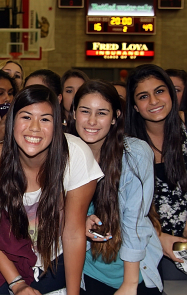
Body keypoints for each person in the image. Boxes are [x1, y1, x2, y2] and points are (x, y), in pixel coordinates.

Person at [0, 85, 103, 295]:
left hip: (56, 259)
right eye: (26, 117)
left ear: (57, 124)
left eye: (45, 119)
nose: (34, 127)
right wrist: (17, 283)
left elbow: (73, 232)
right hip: (9, 256)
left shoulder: (75, 154)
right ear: (12, 121)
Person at [67, 80, 163, 295]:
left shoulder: (135, 154)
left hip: (134, 271)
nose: (92, 121)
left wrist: (129, 285)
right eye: (85, 111)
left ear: (115, 117)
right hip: (87, 271)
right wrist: (75, 222)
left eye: (102, 113)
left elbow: (135, 220)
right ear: (73, 113)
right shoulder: (62, 153)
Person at [125, 64, 187, 280]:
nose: (153, 101)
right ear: (134, 106)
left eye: (159, 91)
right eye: (143, 96)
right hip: (147, 245)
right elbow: (122, 208)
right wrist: (159, 238)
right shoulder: (126, 147)